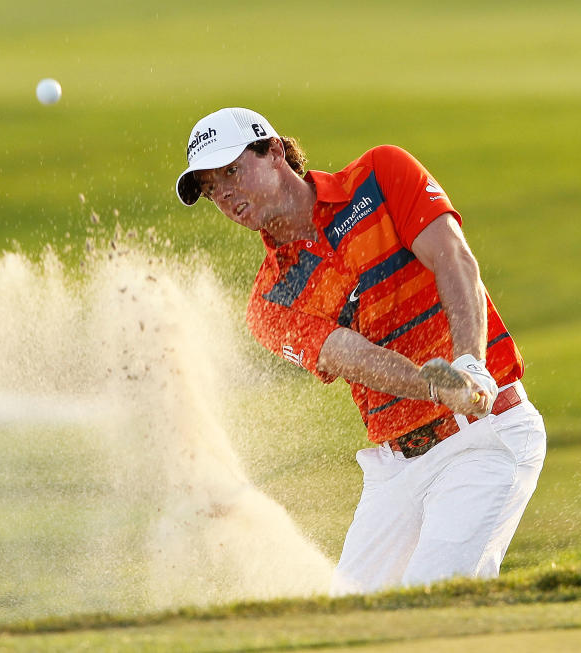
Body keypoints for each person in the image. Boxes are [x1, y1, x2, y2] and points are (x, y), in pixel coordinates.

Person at [174, 107, 546, 595]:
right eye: (209, 188)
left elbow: (453, 257)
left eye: (231, 172)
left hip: (486, 437)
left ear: (276, 152)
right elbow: (349, 355)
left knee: (425, 605)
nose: (224, 194)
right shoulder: (270, 301)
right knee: (350, 617)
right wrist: (433, 384)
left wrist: (469, 363)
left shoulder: (379, 175)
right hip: (396, 472)